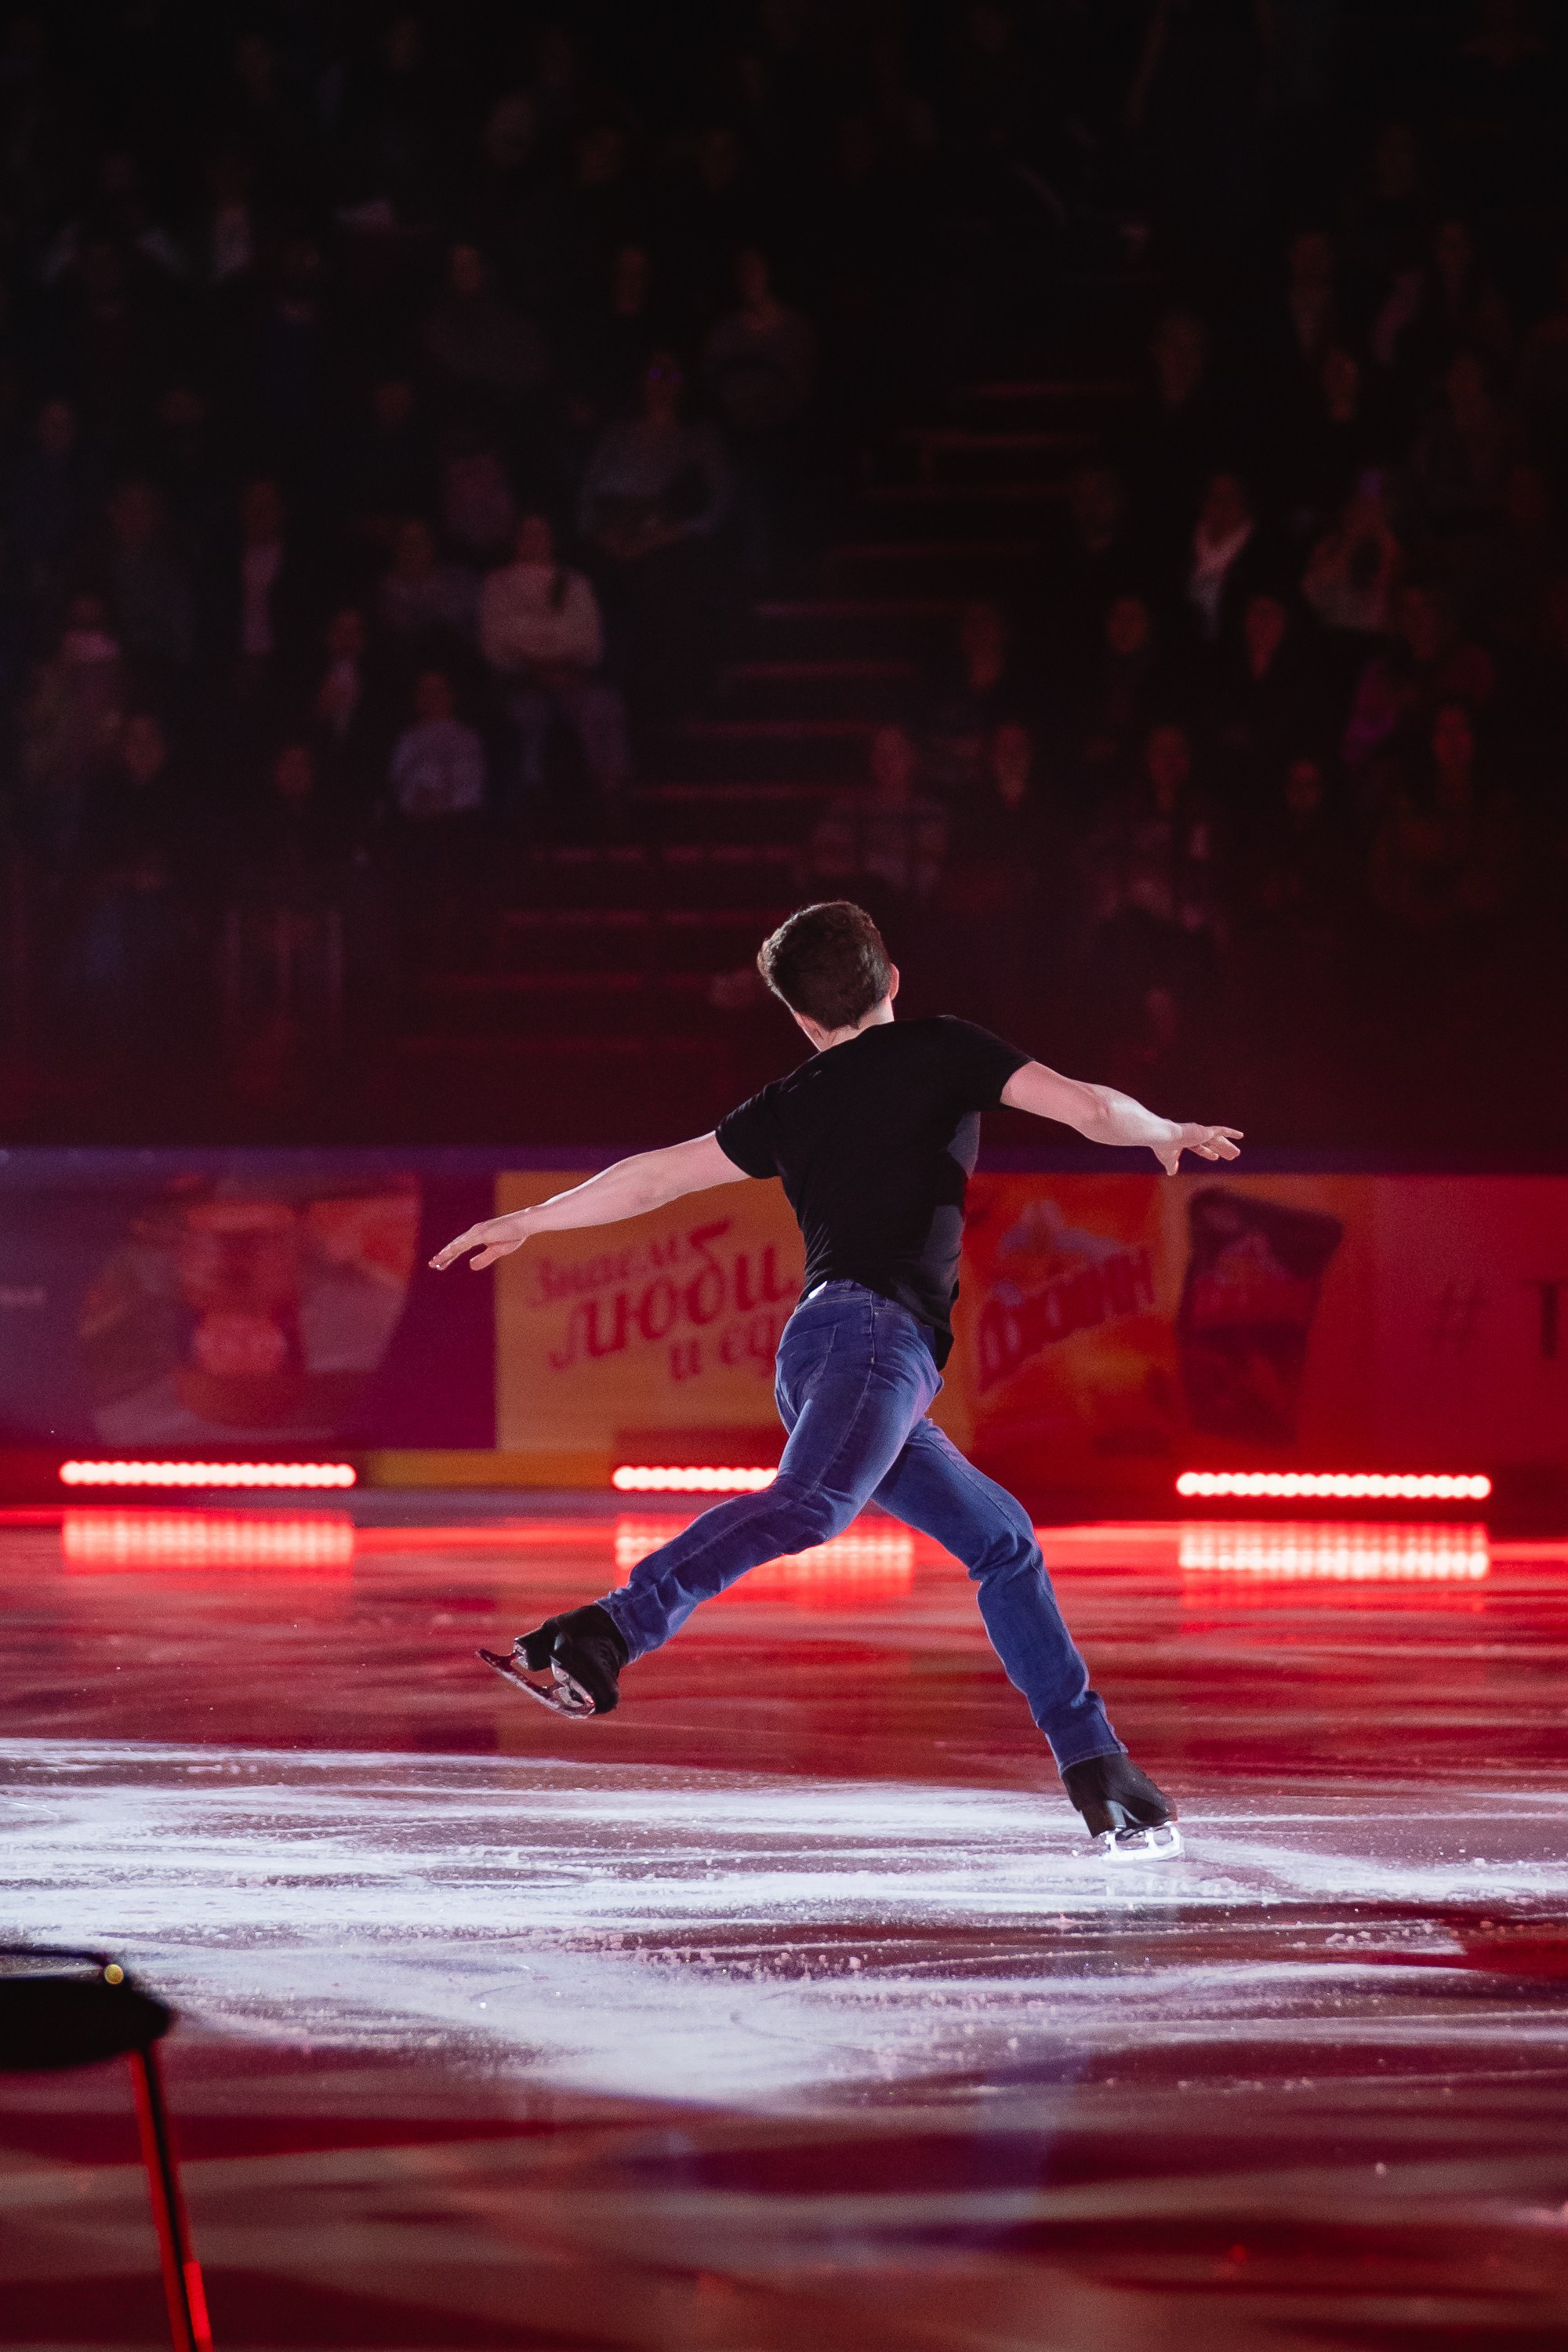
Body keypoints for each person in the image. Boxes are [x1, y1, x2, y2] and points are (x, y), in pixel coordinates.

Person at [431, 899, 1242, 1859]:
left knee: (1001, 1542)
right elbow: (1093, 1109)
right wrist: (1165, 1126)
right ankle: (600, 1633)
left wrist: (534, 1219)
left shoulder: (792, 1100)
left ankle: (1096, 1768)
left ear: (801, 1021)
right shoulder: (944, 1048)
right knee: (813, 1506)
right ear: (891, 979)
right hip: (869, 1347)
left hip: (833, 1353)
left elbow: (652, 1178)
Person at [477, 512, 630, 823]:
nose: (534, 541)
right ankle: (530, 791)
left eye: (541, 533)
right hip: (519, 680)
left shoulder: (575, 583)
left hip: (573, 677)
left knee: (602, 705)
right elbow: (496, 644)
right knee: (527, 714)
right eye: (527, 533)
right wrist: (541, 657)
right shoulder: (497, 585)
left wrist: (551, 655)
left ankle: (610, 791)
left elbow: (589, 642)